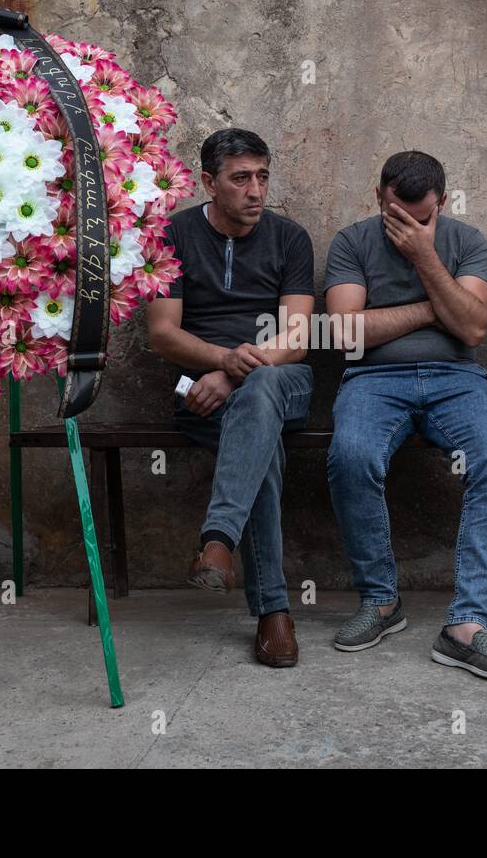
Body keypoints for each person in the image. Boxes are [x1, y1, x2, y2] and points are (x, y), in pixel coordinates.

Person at [323, 151, 487, 681]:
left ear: (441, 200)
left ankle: (465, 626)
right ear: (378, 196)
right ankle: (381, 603)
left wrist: (425, 257)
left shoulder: (466, 241)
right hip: (372, 380)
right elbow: (345, 333)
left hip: (457, 379)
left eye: (420, 217)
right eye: (396, 214)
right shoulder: (352, 242)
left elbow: (475, 330)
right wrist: (439, 307)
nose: (407, 226)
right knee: (351, 456)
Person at [146, 128, 314, 668]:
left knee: (262, 387)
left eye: (262, 176)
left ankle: (219, 538)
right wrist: (221, 363)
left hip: (283, 381)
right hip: (202, 392)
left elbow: (296, 338)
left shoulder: (291, 239)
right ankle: (274, 616)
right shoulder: (169, 237)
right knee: (259, 442)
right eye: (241, 178)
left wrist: (238, 371)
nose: (256, 190)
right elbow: (162, 334)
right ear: (208, 183)